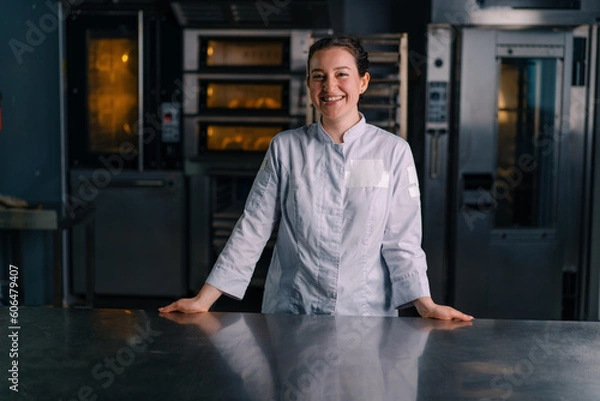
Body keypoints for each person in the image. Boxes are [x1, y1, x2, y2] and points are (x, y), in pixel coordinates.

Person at [160, 36, 473, 321]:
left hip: (365, 315)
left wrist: (426, 304)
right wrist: (204, 299)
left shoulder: (393, 151)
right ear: (309, 84)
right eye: (318, 76)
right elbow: (253, 227)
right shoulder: (286, 147)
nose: (329, 87)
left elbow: (402, 242)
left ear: (363, 82)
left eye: (341, 74)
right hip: (292, 311)